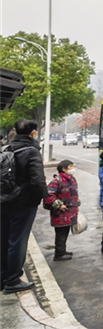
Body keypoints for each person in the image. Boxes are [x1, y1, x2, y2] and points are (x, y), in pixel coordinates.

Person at [1, 119, 47, 293]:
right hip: (23, 203)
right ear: (33, 133)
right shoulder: (31, 151)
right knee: (18, 241)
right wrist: (36, 200)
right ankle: (12, 280)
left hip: (4, 200)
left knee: (3, 239)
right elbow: (37, 181)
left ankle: (3, 277)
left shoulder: (6, 148)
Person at [44, 160, 79, 261]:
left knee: (65, 232)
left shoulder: (71, 179)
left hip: (70, 211)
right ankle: (59, 254)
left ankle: (62, 250)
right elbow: (49, 194)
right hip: (60, 213)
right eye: (70, 167)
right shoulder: (57, 180)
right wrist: (59, 205)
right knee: (61, 233)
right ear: (63, 169)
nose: (72, 169)